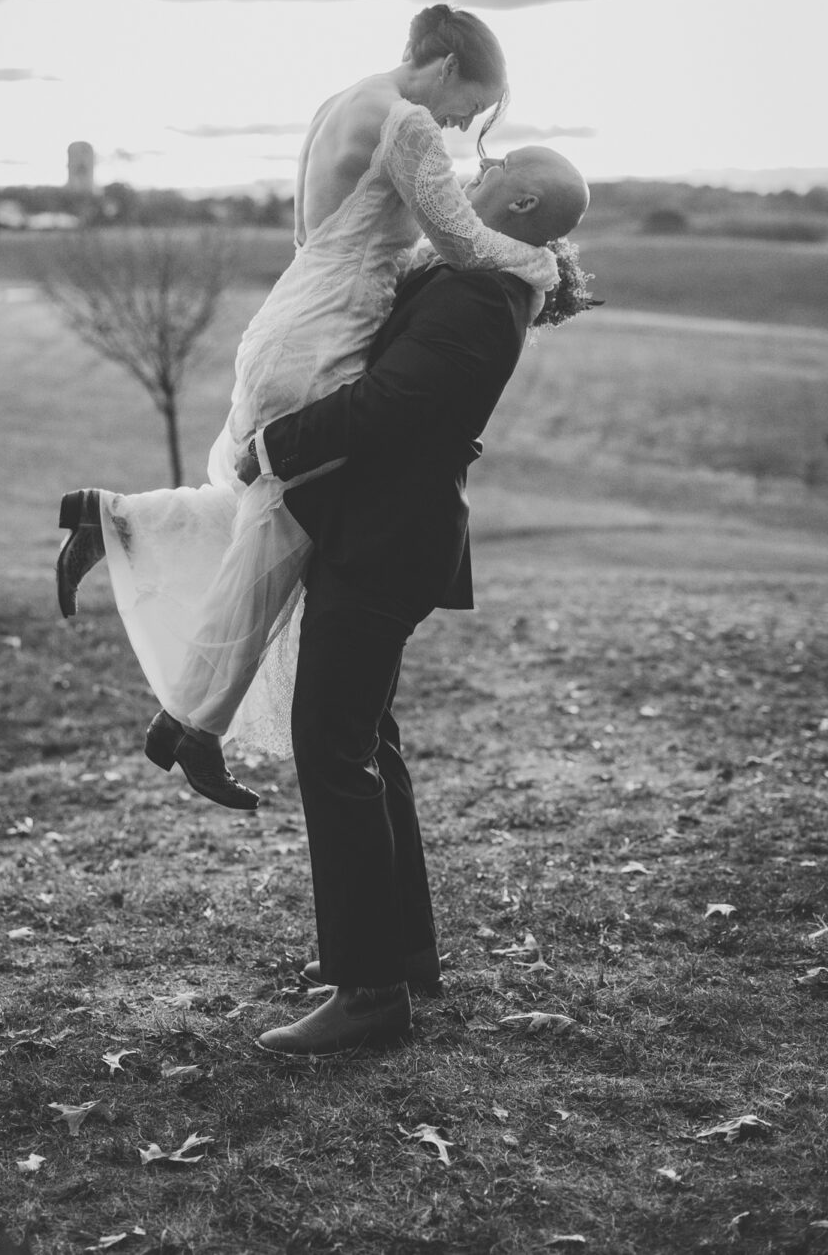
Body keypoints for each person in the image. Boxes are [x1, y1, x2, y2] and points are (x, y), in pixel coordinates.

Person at [56, 6, 561, 807]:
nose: (465, 126)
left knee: (267, 508)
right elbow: (463, 243)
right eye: (473, 103)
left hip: (291, 322)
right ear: (445, 65)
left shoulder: (342, 102)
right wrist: (542, 267)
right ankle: (193, 726)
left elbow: (338, 237)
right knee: (283, 531)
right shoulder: (406, 124)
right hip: (323, 344)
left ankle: (119, 524)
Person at [247, 146, 592, 1055]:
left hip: (385, 540)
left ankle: (370, 995)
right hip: (383, 532)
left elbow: (390, 402)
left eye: (500, 161)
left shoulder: (484, 293)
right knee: (365, 740)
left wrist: (273, 445)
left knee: (331, 748)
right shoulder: (479, 277)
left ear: (523, 200)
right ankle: (398, 954)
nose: (478, 163)